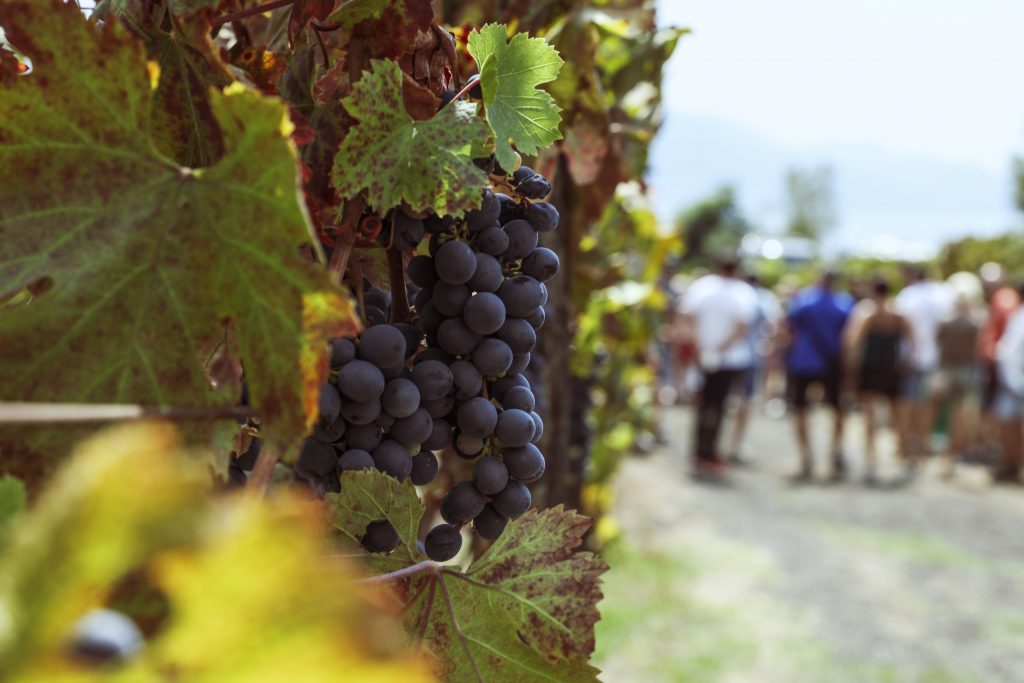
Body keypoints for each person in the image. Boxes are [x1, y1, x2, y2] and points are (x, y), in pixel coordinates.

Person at [679, 256, 758, 476]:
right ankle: (707, 452)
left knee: (704, 405)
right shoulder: (743, 291)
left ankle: (700, 452)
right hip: (726, 359)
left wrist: (701, 348)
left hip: (707, 356)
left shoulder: (701, 287)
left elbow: (687, 318)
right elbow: (742, 327)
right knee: (717, 406)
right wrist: (717, 349)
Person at [785, 271, 853, 481]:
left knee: (801, 409)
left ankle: (807, 455)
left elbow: (790, 328)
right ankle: (836, 451)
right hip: (832, 363)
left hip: (804, 361)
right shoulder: (844, 303)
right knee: (837, 408)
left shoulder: (803, 300)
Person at [847, 278, 912, 484]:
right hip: (892, 369)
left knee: (869, 417)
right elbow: (912, 341)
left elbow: (854, 342)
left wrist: (851, 371)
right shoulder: (898, 313)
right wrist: (905, 362)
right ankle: (901, 460)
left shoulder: (867, 313)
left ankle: (871, 460)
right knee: (898, 417)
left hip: (872, 369)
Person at [894, 266, 954, 460]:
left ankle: (905, 444)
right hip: (935, 359)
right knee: (927, 404)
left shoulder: (906, 296)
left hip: (911, 359)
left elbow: (900, 328)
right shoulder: (943, 294)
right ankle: (921, 444)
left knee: (908, 403)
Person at [725, 273, 783, 464]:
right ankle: (736, 444)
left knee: (727, 401)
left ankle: (725, 444)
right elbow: (774, 327)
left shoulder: (734, 295)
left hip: (729, 357)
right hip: (750, 358)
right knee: (745, 401)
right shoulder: (764, 299)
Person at [933, 293, 981, 479]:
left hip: (948, 371)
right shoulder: (973, 325)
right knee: (959, 414)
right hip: (963, 371)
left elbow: (938, 343)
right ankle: (953, 455)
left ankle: (949, 457)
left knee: (946, 414)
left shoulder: (947, 324)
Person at [992, 283, 1024, 483]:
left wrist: (1014, 382)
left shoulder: (1019, 316)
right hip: (1015, 382)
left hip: (1016, 383)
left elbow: (1009, 353)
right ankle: (1012, 464)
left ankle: (1012, 464)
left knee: (1010, 425)